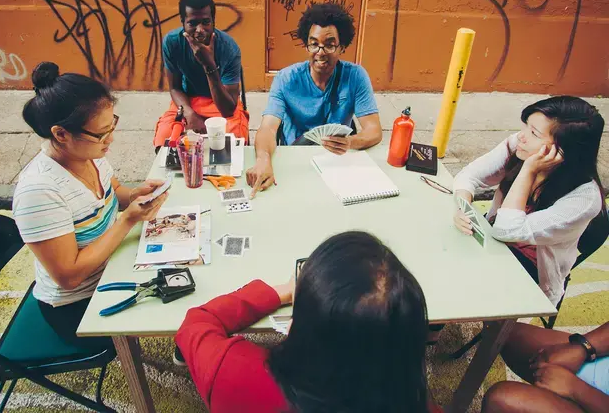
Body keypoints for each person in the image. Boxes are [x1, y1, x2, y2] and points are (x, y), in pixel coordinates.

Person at [175, 231, 439, 413]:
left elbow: (198, 322)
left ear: (299, 326)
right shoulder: (414, 402)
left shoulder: (232, 370)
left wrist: (278, 292)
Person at [13, 62, 168, 351]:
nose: (110, 138)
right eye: (101, 133)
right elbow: (69, 277)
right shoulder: (39, 192)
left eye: (112, 126)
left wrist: (134, 195)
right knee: (181, 299)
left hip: (112, 266)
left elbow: (113, 192)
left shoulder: (90, 154)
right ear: (60, 134)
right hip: (78, 306)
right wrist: (128, 221)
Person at [453, 96, 605, 306]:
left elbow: (507, 230)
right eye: (526, 126)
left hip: (532, 268)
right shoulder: (520, 145)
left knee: (456, 277)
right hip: (492, 239)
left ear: (562, 151)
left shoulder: (584, 199)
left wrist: (529, 169)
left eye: (534, 133)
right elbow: (469, 176)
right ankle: (432, 333)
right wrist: (464, 208)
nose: (521, 137)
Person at [246, 2, 382, 196]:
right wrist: (263, 159)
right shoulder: (286, 79)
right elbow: (268, 127)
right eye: (314, 43)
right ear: (306, 44)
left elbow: (374, 130)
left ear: (342, 47)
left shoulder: (355, 76)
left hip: (337, 159)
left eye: (329, 45)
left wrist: (351, 142)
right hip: (295, 156)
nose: (320, 52)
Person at [153, 0, 249, 148]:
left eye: (206, 22)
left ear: (213, 21)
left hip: (220, 101)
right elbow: (175, 88)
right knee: (165, 137)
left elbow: (228, 110)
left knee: (234, 138)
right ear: (183, 22)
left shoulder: (229, 48)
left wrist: (208, 64)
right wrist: (189, 113)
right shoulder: (172, 42)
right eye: (192, 23)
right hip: (188, 101)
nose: (200, 30)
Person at [482, 321, 609, 412]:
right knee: (504, 331)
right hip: (601, 364)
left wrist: (575, 388)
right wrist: (582, 348)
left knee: (500, 401)